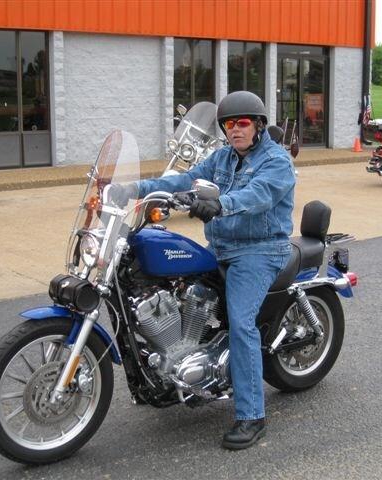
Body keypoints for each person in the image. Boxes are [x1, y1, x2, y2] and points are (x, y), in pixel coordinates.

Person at [132, 91, 296, 450]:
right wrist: (136, 188)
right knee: (175, 288)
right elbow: (186, 179)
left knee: (241, 323)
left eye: (242, 123)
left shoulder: (276, 161)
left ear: (258, 125)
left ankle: (252, 416)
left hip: (259, 250)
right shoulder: (222, 157)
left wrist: (219, 204)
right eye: (228, 124)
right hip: (221, 246)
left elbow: (258, 195)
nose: (235, 129)